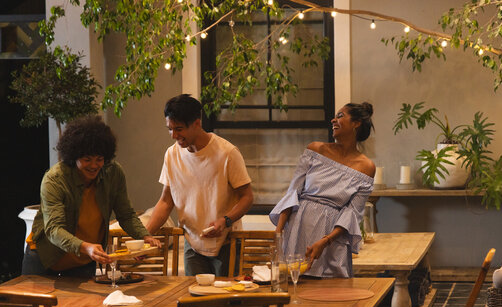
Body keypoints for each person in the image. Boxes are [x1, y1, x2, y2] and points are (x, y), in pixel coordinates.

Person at [22, 115, 161, 278]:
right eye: (87, 160)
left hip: (83, 260)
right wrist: (86, 247)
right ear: (74, 157)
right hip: (45, 258)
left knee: (84, 304)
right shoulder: (55, 179)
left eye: (99, 159)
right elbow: (54, 230)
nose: (94, 165)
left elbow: (126, 215)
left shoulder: (113, 173)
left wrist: (144, 236)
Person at [146, 94, 253, 276]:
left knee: (224, 300)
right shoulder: (172, 155)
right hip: (192, 244)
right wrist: (145, 235)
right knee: (194, 298)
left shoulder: (227, 153)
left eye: (179, 129)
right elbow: (165, 202)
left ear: (197, 123)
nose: (174, 135)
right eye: (170, 129)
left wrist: (225, 221)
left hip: (227, 241)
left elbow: (247, 197)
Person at [270, 102, 375, 278]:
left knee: (332, 293)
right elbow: (292, 193)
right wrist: (278, 234)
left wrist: (326, 241)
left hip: (331, 238)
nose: (333, 119)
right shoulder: (315, 150)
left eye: (340, 116)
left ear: (356, 123)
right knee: (295, 283)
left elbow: (352, 213)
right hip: (299, 227)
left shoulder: (366, 167)